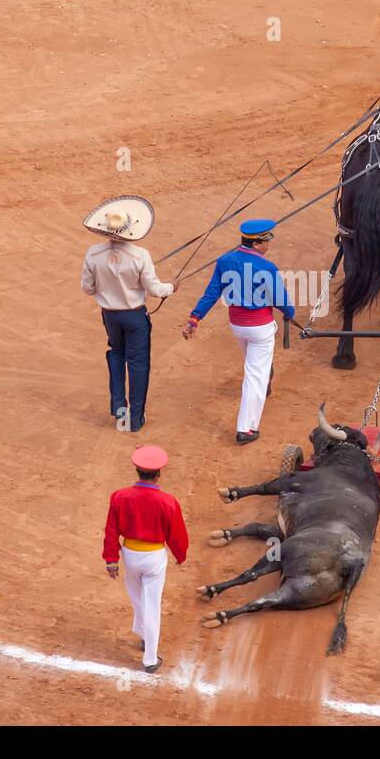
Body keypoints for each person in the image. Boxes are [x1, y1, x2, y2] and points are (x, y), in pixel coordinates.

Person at [181, 219, 294, 444]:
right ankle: (246, 429)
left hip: (238, 326)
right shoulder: (267, 267)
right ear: (256, 244)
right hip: (260, 328)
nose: (269, 245)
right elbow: (280, 299)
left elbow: (212, 292)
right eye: (266, 241)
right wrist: (289, 312)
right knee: (255, 377)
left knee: (254, 367)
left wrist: (195, 318)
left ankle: (265, 373)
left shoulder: (225, 261)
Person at [80, 196, 174, 432]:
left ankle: (119, 409)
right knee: (138, 364)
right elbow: (155, 289)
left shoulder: (93, 253)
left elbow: (87, 288)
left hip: (110, 315)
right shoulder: (140, 255)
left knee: (116, 356)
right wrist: (172, 287)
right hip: (134, 316)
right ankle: (135, 418)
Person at [102, 445, 188, 673]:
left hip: (130, 555)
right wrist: (180, 555)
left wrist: (111, 559)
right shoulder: (168, 502)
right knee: (152, 605)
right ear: (158, 474)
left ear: (137, 471)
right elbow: (177, 534)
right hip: (154, 558)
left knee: (137, 597)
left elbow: (111, 530)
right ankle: (150, 658)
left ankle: (141, 631)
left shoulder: (120, 497)